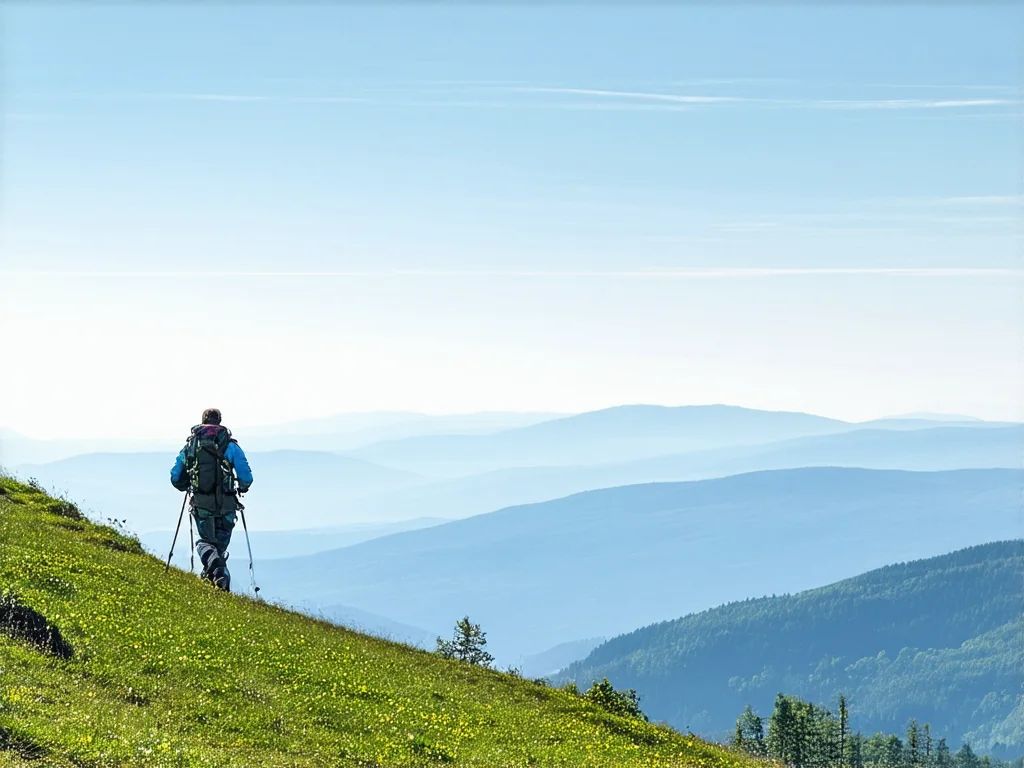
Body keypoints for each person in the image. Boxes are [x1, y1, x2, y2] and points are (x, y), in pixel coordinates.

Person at [170, 408, 253, 591]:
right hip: (227, 506)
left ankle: (216, 576)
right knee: (219, 547)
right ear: (220, 422)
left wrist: (187, 486)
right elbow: (246, 476)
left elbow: (176, 476)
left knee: (205, 543)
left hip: (201, 505)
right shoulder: (230, 446)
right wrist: (242, 487)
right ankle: (218, 581)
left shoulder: (192, 445)